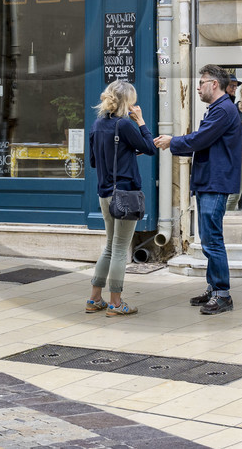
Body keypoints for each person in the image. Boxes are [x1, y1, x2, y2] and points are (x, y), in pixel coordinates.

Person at [156, 65, 242, 314]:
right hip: (209, 181)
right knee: (208, 238)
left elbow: (199, 139)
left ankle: (222, 294)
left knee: (212, 239)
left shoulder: (224, 110)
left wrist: (172, 141)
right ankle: (213, 288)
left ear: (214, 84)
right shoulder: (219, 109)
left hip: (215, 183)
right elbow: (201, 139)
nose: (198, 86)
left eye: (202, 82)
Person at [85, 79, 157, 316]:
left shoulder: (97, 125)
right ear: (127, 102)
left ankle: (95, 299)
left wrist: (125, 151)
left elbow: (95, 161)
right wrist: (142, 121)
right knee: (119, 249)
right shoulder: (124, 125)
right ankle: (116, 303)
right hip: (125, 193)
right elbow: (150, 147)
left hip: (105, 193)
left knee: (109, 246)